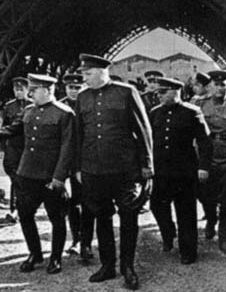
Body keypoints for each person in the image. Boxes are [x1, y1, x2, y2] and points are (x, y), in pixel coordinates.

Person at [0, 74, 75, 274]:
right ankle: (35, 254)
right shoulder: (29, 111)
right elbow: (11, 130)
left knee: (57, 218)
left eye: (34, 90)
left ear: (47, 90)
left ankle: (55, 258)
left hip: (50, 176)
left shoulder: (64, 114)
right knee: (26, 215)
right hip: (27, 173)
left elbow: (68, 148)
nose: (30, 94)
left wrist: (59, 177)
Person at [75, 54, 153, 290]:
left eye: (88, 74)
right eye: (83, 74)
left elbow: (143, 129)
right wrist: (78, 167)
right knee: (102, 216)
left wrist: (147, 164)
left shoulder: (126, 92)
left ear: (102, 71)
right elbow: (79, 134)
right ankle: (107, 265)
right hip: (93, 169)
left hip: (123, 168)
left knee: (128, 216)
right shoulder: (83, 97)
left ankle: (127, 267)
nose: (84, 78)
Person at [149, 78, 212, 264]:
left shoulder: (192, 112)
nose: (159, 96)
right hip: (161, 171)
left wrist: (203, 167)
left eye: (163, 92)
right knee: (157, 205)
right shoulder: (155, 113)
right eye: (158, 93)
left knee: (186, 211)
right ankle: (168, 233)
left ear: (176, 92)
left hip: (185, 171)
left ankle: (188, 251)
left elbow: (205, 142)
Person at [197, 70, 226, 254]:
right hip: (207, 155)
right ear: (209, 86)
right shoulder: (198, 105)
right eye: (216, 84)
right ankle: (211, 219)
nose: (220, 88)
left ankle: (224, 239)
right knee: (206, 195)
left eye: (223, 84)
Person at [60, 73, 94, 261]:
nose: (74, 91)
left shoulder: (90, 104)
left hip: (84, 162)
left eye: (77, 87)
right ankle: (75, 239)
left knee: (85, 202)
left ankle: (85, 243)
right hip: (64, 162)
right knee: (69, 204)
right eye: (70, 87)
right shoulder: (60, 106)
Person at [1, 77, 33, 223]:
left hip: (29, 147)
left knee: (27, 180)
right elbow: (5, 127)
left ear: (27, 90)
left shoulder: (33, 106)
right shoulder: (9, 106)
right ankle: (14, 210)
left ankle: (25, 208)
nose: (18, 92)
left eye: (21, 90)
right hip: (13, 147)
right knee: (15, 179)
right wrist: (2, 147)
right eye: (16, 89)